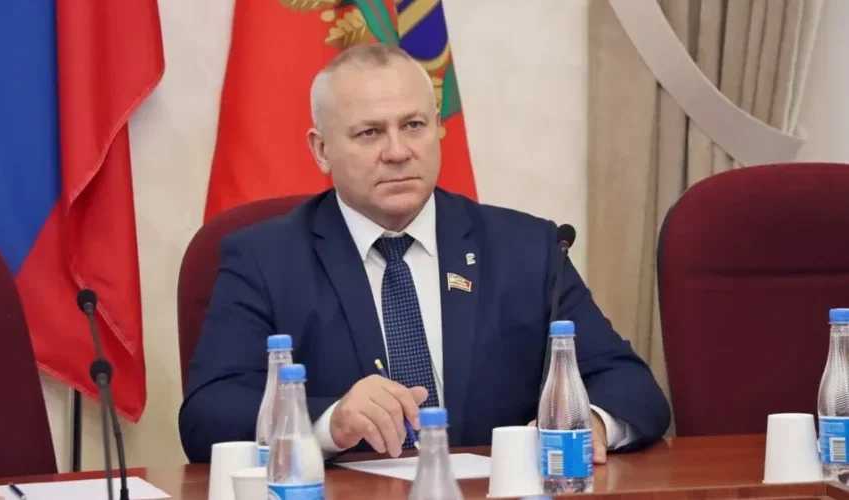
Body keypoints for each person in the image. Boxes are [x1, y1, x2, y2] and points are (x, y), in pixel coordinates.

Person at [179, 43, 670, 464]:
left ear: (437, 128)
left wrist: (591, 424)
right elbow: (208, 414)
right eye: (370, 133)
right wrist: (330, 422)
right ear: (321, 149)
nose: (398, 151)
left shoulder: (527, 248)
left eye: (413, 125)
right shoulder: (264, 259)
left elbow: (629, 384)